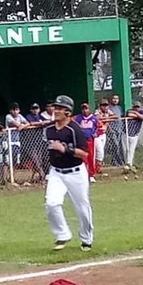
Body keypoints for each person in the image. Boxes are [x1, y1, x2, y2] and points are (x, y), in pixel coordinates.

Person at [43, 95, 94, 252]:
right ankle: (62, 234)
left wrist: (65, 149)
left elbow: (84, 154)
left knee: (82, 207)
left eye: (59, 108)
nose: (55, 110)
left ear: (68, 112)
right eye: (55, 107)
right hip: (56, 172)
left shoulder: (75, 129)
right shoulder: (49, 130)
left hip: (75, 172)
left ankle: (86, 239)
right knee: (52, 203)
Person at [75, 103, 101, 182]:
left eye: (86, 108)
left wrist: (97, 133)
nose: (85, 110)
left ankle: (91, 175)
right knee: (82, 158)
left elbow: (100, 127)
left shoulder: (94, 118)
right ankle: (82, 175)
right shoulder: (78, 118)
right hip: (81, 140)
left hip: (90, 140)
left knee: (91, 157)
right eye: (83, 109)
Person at [124, 103, 143, 168]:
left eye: (138, 107)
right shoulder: (129, 110)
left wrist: (136, 114)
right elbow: (129, 114)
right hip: (126, 133)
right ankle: (126, 163)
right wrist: (138, 116)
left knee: (131, 150)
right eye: (135, 107)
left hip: (135, 134)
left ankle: (129, 164)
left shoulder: (142, 111)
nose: (136, 108)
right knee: (126, 150)